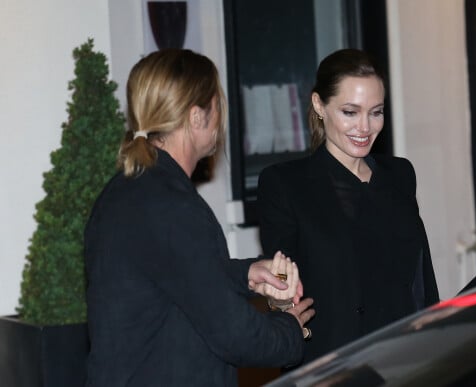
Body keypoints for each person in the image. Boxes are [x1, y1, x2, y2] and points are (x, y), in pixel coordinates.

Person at [84, 49, 315, 387]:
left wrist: (246, 274)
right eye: (217, 104)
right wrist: (291, 328)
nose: (221, 116)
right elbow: (237, 337)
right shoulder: (173, 207)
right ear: (197, 117)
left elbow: (173, 274)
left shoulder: (123, 192)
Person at [257, 48, 439, 365]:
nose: (365, 127)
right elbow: (283, 289)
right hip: (334, 365)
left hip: (408, 359)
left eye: (376, 112)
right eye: (350, 112)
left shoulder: (400, 175)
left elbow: (421, 281)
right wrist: (281, 304)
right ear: (319, 105)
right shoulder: (285, 184)